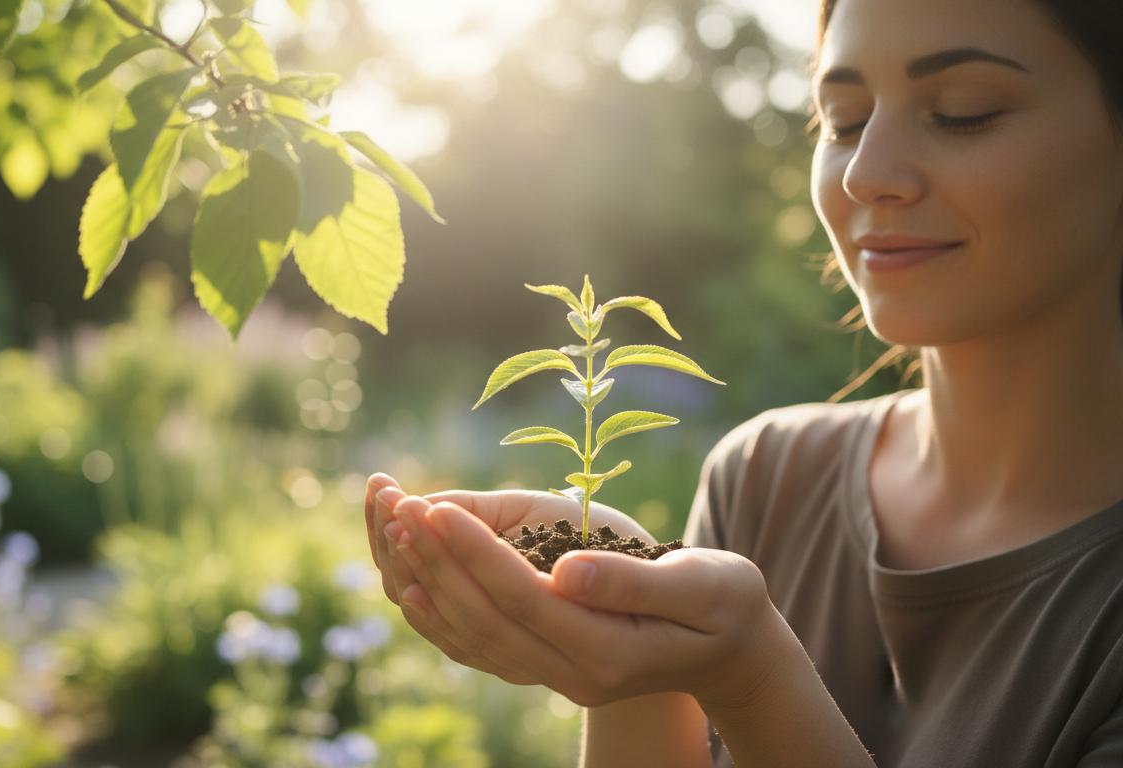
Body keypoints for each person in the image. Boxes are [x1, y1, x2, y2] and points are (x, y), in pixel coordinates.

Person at [363, 0, 1123, 764]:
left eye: (965, 111)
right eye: (844, 119)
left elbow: (744, 674)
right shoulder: (768, 477)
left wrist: (750, 678)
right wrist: (638, 647)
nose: (865, 175)